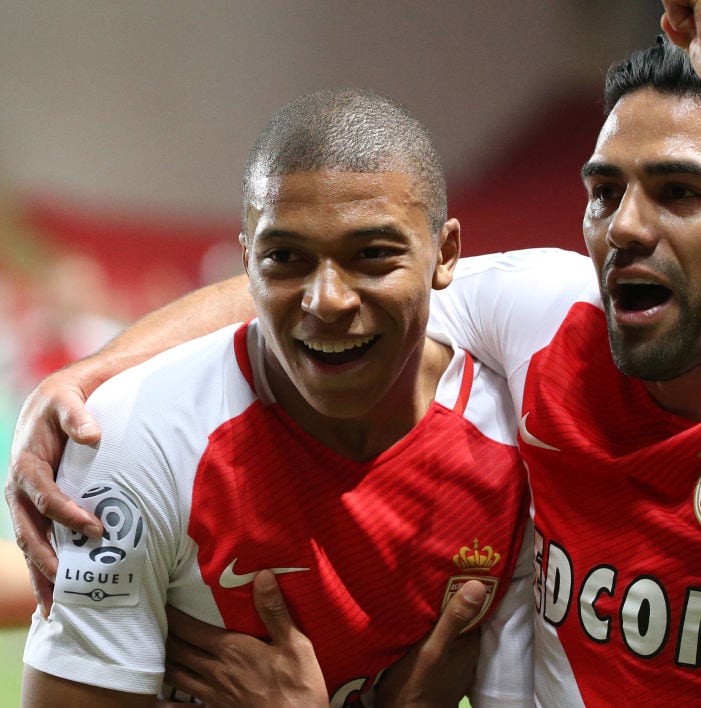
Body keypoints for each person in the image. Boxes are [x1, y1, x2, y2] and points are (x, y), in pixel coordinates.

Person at [7, 0, 701, 704]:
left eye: (680, 194)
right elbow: (336, 279)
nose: (624, 227)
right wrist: (93, 378)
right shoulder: (548, 315)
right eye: (604, 192)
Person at [17, 88, 535, 707]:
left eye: (372, 256)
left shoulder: (517, 445)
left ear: (445, 253)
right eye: (285, 258)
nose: (327, 300)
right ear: (246, 262)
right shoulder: (136, 441)